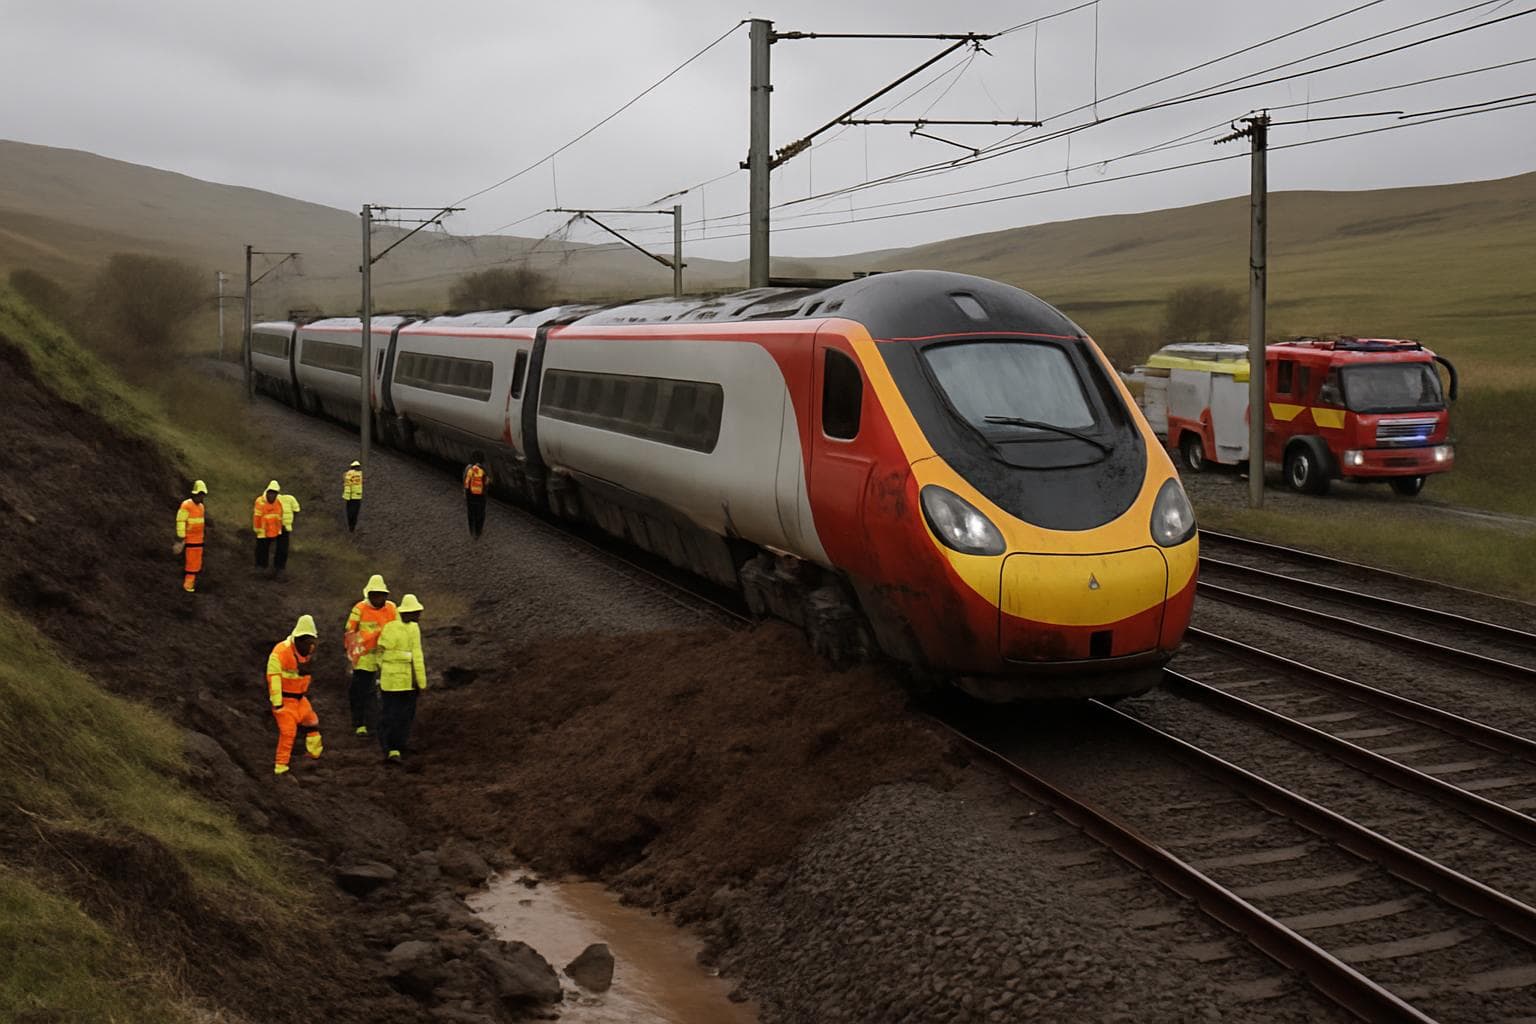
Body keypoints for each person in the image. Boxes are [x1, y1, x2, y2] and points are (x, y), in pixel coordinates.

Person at [267, 614, 323, 776]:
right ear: (298, 639)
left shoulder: (309, 653)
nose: (310, 647)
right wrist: (277, 702)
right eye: (307, 643)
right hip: (285, 700)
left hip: (300, 698)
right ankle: (281, 766)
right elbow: (273, 678)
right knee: (288, 732)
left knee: (312, 723)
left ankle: (314, 755)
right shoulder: (281, 652)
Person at [376, 593, 427, 765]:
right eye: (416, 613)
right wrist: (420, 682)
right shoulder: (402, 628)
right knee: (395, 715)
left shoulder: (395, 628)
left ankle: (397, 746)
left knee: (401, 716)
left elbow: (380, 654)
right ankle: (392, 748)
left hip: (399, 681)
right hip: (399, 682)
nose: (419, 616)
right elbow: (416, 657)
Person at [344, 574, 397, 736]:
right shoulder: (359, 608)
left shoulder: (392, 608)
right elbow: (350, 632)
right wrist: (352, 655)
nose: (378, 598)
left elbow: (398, 630)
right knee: (360, 691)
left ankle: (380, 723)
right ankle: (359, 723)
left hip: (386, 656)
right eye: (375, 594)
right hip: (364, 658)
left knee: (385, 693)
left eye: (381, 595)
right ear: (369, 594)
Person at [174, 480, 208, 593]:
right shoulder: (186, 505)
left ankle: (191, 583)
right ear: (194, 494)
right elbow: (180, 521)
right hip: (189, 540)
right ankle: (187, 585)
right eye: (200, 494)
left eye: (202, 495)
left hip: (198, 540)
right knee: (191, 564)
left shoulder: (201, 507)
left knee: (196, 563)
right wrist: (181, 536)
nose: (201, 497)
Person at [252, 480, 284, 572]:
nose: (272, 495)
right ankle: (260, 566)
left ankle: (265, 567)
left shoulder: (278, 503)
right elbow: (257, 516)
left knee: (267, 549)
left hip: (272, 531)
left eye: (274, 493)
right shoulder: (260, 501)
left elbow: (278, 517)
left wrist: (278, 531)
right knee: (261, 549)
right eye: (271, 493)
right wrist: (257, 529)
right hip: (262, 531)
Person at [463, 452, 489, 539]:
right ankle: (478, 532)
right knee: (480, 513)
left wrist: (465, 493)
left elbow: (466, 482)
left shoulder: (469, 468)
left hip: (470, 495)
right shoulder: (483, 469)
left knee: (471, 513)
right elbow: (486, 482)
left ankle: (472, 531)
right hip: (480, 495)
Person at [276, 490, 301, 575]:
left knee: (279, 546)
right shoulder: (290, 499)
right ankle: (280, 567)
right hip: (285, 527)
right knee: (282, 547)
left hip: (276, 526)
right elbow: (296, 510)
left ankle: (277, 567)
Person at [342, 460, 363, 532]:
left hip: (350, 497)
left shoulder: (348, 474)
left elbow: (347, 485)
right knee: (354, 513)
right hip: (357, 497)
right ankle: (352, 526)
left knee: (350, 512)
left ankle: (351, 526)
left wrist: (346, 496)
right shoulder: (360, 474)